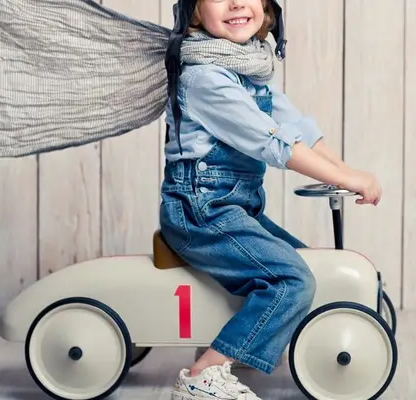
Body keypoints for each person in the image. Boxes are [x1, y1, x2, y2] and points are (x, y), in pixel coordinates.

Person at [159, 0, 381, 398]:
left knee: (310, 265)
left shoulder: (248, 68)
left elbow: (296, 128)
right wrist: (347, 178)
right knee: (291, 279)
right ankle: (202, 376)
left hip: (232, 208)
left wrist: (348, 172)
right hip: (199, 213)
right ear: (194, 12)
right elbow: (275, 143)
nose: (237, 3)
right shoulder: (206, 79)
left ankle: (253, 342)